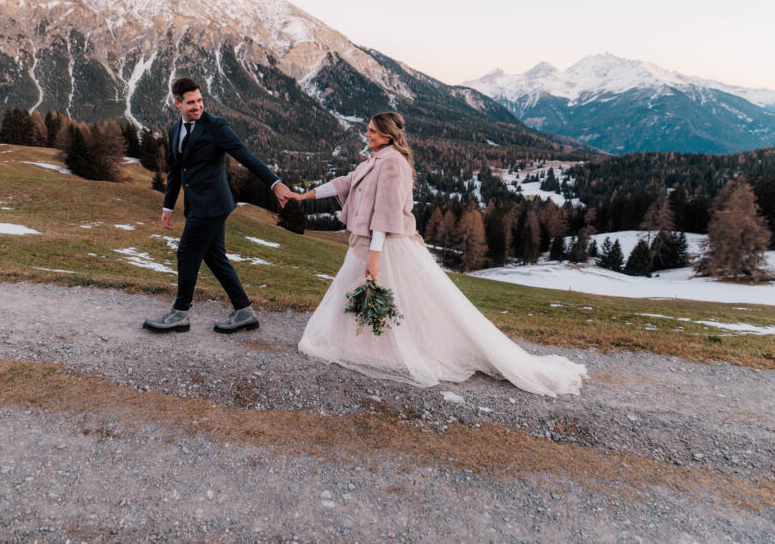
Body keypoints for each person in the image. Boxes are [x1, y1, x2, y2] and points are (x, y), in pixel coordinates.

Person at [289, 112, 587, 396]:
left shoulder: (392, 163)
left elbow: (385, 214)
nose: (366, 134)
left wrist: (375, 255)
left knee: (372, 294)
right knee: (359, 292)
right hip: (368, 241)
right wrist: (304, 196)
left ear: (387, 135)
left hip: (382, 244)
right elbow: (346, 181)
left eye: (372, 130)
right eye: (368, 129)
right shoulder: (378, 158)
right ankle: (356, 343)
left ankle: (357, 344)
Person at [143, 77, 292, 334]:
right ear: (177, 104)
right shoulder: (174, 130)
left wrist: (274, 182)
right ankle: (244, 311)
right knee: (214, 257)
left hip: (213, 205)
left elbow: (246, 156)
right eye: (191, 103)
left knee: (187, 253)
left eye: (200, 100)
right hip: (197, 204)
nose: (197, 106)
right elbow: (175, 170)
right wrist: (168, 207)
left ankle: (180, 313)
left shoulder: (217, 127)